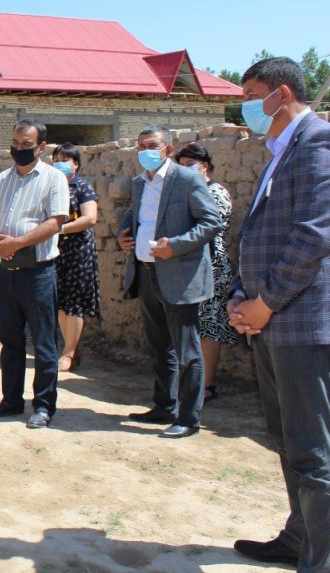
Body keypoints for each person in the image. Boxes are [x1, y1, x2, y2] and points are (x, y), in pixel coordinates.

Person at [227, 57, 330, 571]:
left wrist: (263, 303)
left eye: (250, 93)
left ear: (280, 93)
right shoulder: (281, 151)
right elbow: (261, 235)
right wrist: (242, 296)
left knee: (313, 449)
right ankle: (299, 537)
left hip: (302, 320)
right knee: (287, 440)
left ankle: (323, 563)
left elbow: (313, 236)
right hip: (272, 317)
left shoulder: (323, 144)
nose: (244, 106)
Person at [117, 126, 220, 439]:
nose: (145, 150)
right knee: (159, 346)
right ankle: (164, 405)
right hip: (147, 272)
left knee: (187, 349)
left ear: (168, 148)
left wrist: (174, 245)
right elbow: (137, 216)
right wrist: (124, 235)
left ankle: (189, 418)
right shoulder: (138, 183)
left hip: (179, 275)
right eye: (140, 146)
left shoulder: (186, 178)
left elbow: (211, 221)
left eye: (152, 145)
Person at [0, 119, 69, 429]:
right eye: (15, 144)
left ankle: (44, 406)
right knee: (10, 341)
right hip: (6, 272)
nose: (19, 149)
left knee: (44, 342)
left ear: (41, 147)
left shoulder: (53, 179)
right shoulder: (2, 180)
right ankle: (11, 400)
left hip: (39, 274)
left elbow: (56, 221)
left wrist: (17, 243)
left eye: (26, 145)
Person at [174, 143, 238, 401]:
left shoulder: (217, 192)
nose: (186, 170)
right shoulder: (190, 191)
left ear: (206, 167)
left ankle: (206, 385)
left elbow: (209, 225)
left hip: (212, 267)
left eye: (191, 165)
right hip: (189, 269)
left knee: (210, 328)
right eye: (182, 165)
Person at [51, 143, 100, 372]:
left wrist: (59, 229)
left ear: (76, 164)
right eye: (56, 158)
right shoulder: (52, 187)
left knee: (75, 304)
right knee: (61, 303)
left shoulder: (82, 187)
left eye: (65, 159)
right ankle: (70, 347)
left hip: (78, 251)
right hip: (57, 252)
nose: (60, 162)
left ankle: (68, 353)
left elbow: (90, 218)